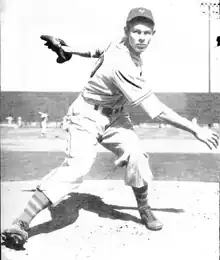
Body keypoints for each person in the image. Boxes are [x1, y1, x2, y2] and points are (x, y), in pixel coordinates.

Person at [1, 7, 219, 248]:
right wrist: (195, 129)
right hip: (86, 116)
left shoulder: (118, 43)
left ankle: (144, 208)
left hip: (115, 118)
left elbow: (96, 51)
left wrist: (70, 49)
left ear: (153, 33)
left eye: (147, 32)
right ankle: (21, 222)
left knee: (137, 157)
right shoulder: (121, 63)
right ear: (126, 31)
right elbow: (155, 110)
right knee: (77, 167)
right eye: (136, 31)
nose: (142, 37)